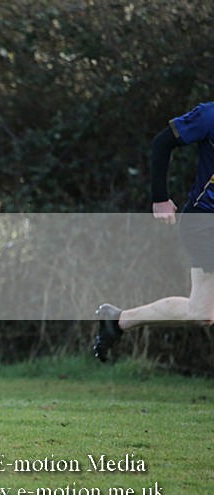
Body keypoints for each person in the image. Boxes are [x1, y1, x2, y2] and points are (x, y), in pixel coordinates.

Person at [94, 102, 214, 361]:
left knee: (201, 312)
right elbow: (162, 142)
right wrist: (159, 197)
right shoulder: (210, 115)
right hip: (204, 222)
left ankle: (117, 321)